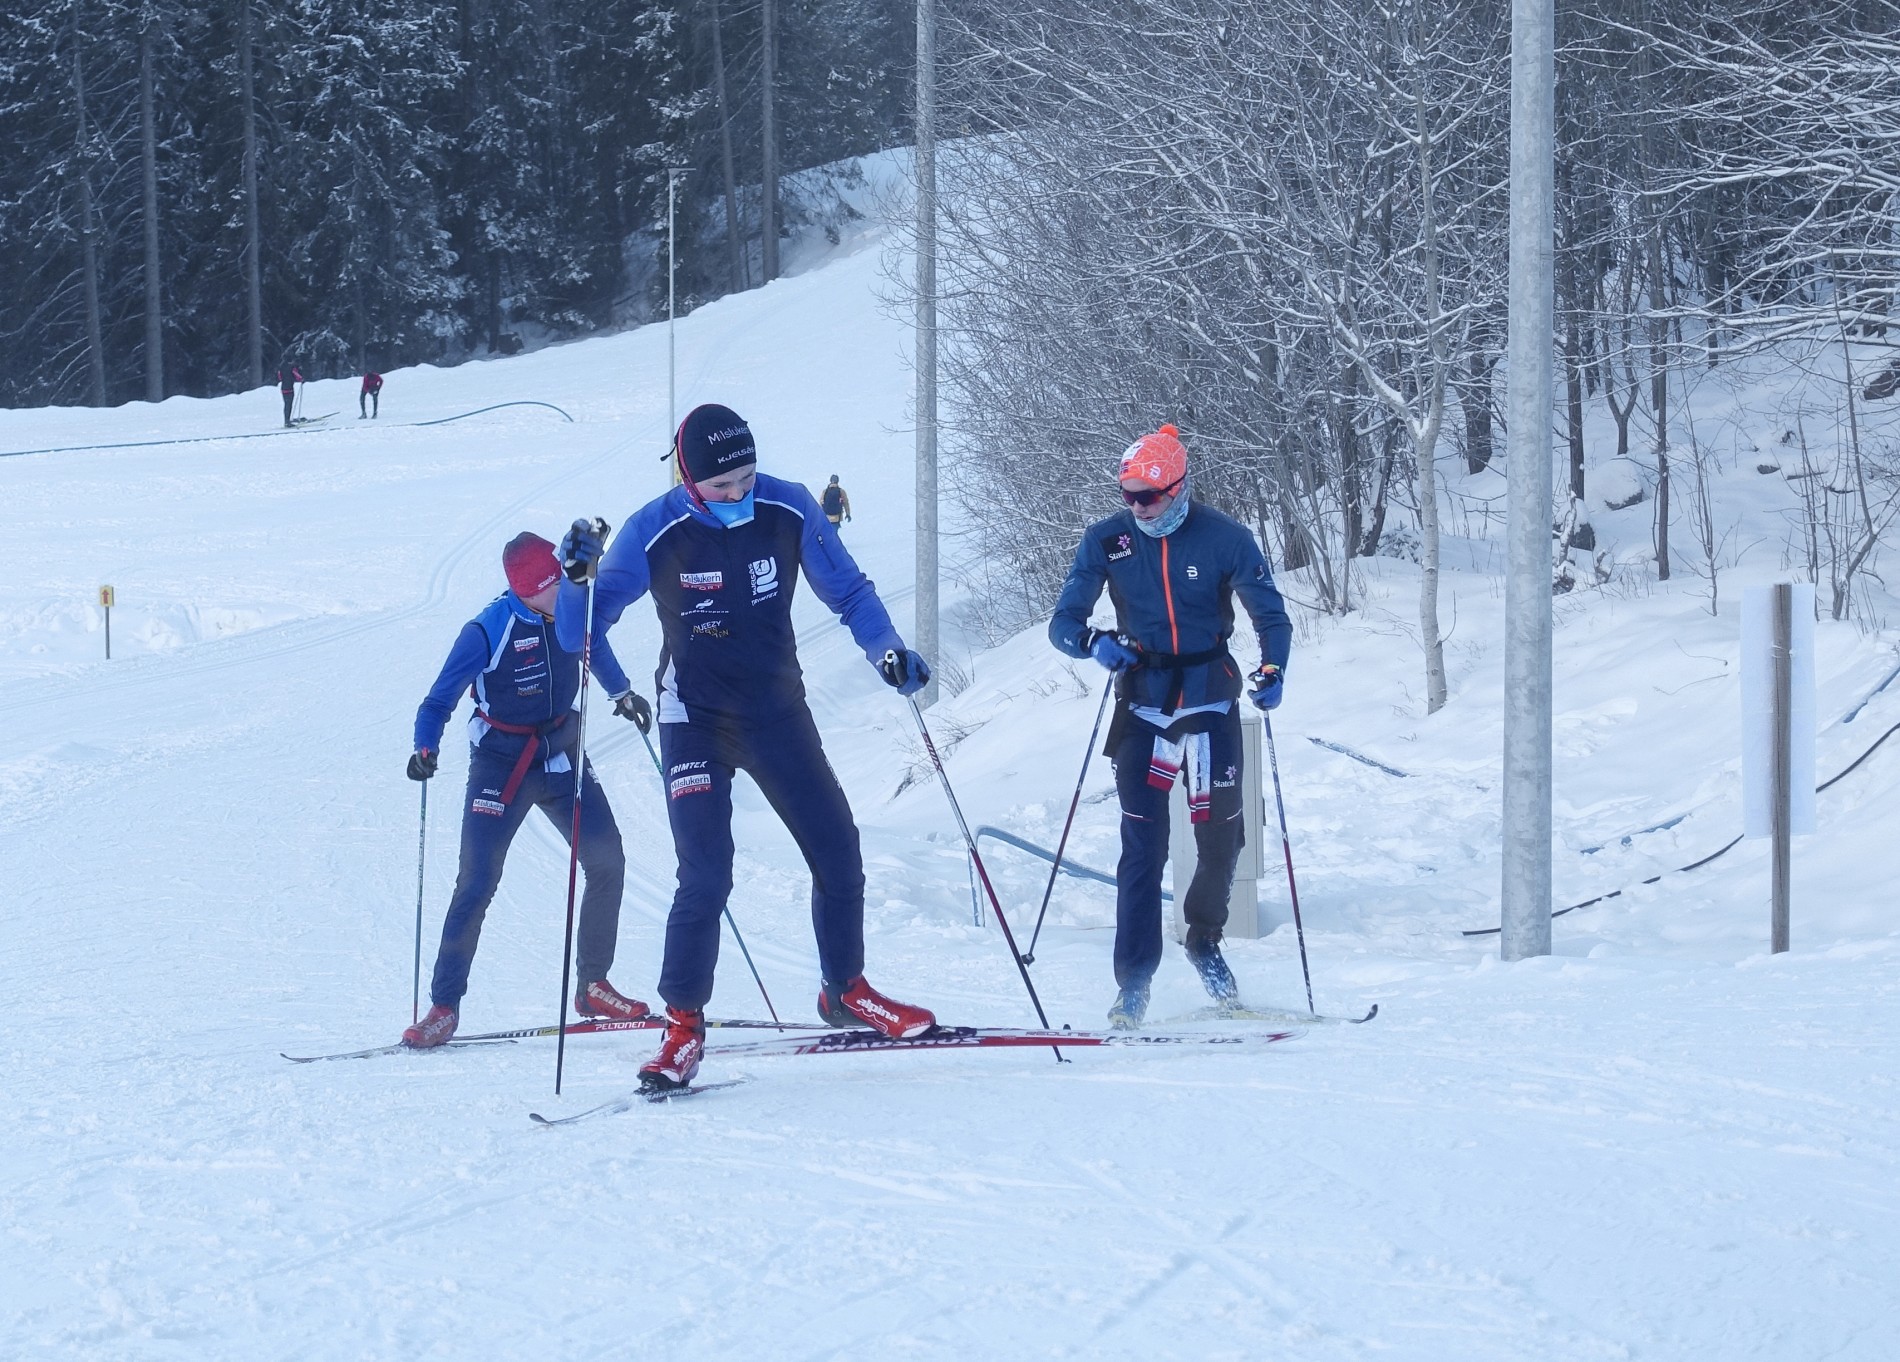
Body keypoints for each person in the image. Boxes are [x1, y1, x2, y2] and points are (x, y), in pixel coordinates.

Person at [559, 402, 937, 1090]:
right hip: (693, 718)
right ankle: (681, 1024)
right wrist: (574, 582)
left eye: (747, 478)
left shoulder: (789, 508)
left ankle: (844, 989)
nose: (739, 495)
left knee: (836, 844)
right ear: (688, 479)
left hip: (774, 710)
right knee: (706, 870)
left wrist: (888, 652)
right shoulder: (655, 529)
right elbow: (577, 632)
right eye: (721, 486)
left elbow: (849, 592)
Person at [1048, 423, 1292, 1029]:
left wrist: (1272, 670)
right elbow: (1063, 621)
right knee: (1143, 846)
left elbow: (1272, 617)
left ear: (1180, 488)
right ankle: (1132, 984)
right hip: (1145, 708)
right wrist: (1092, 642)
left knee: (1220, 839)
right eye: (1127, 494)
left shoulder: (1224, 538)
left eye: (1149, 496)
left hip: (1209, 703)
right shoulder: (1107, 540)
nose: (1136, 506)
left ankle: (1203, 940)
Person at [400, 531, 655, 1048]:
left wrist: (622, 692)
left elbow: (592, 645)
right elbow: (438, 699)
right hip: (502, 765)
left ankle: (593, 986)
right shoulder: (486, 631)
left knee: (608, 861)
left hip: (561, 756)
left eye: (560, 581)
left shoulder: (569, 605)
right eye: (549, 588)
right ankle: (444, 1007)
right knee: (476, 882)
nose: (560, 594)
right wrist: (425, 747)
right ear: (523, 591)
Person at [277, 362, 302, 428]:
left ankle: (286, 420)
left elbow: (280, 377)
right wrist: (301, 379)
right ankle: (287, 422)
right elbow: (297, 377)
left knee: (286, 405)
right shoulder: (292, 367)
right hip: (290, 388)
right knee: (289, 405)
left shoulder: (281, 366)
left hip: (283, 388)